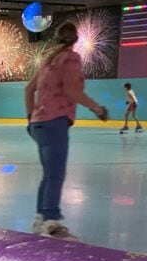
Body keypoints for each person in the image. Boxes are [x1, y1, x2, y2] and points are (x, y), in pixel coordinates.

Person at [23, 21, 109, 240]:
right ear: (76, 40)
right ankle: (51, 222)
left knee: (48, 174)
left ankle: (40, 220)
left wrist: (30, 116)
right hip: (55, 121)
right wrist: (97, 108)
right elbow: (72, 90)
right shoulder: (71, 58)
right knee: (56, 174)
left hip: (39, 123)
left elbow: (29, 89)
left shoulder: (49, 60)